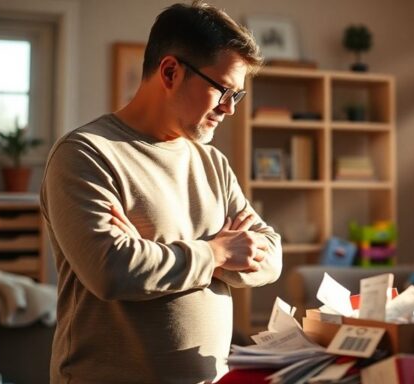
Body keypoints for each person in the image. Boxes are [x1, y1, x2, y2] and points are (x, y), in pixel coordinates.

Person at [40, 2, 281, 383]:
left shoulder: (212, 163)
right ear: (170, 71)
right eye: (223, 91)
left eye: (238, 96)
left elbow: (271, 256)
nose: (230, 109)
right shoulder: (85, 154)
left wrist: (155, 256)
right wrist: (217, 252)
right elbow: (113, 271)